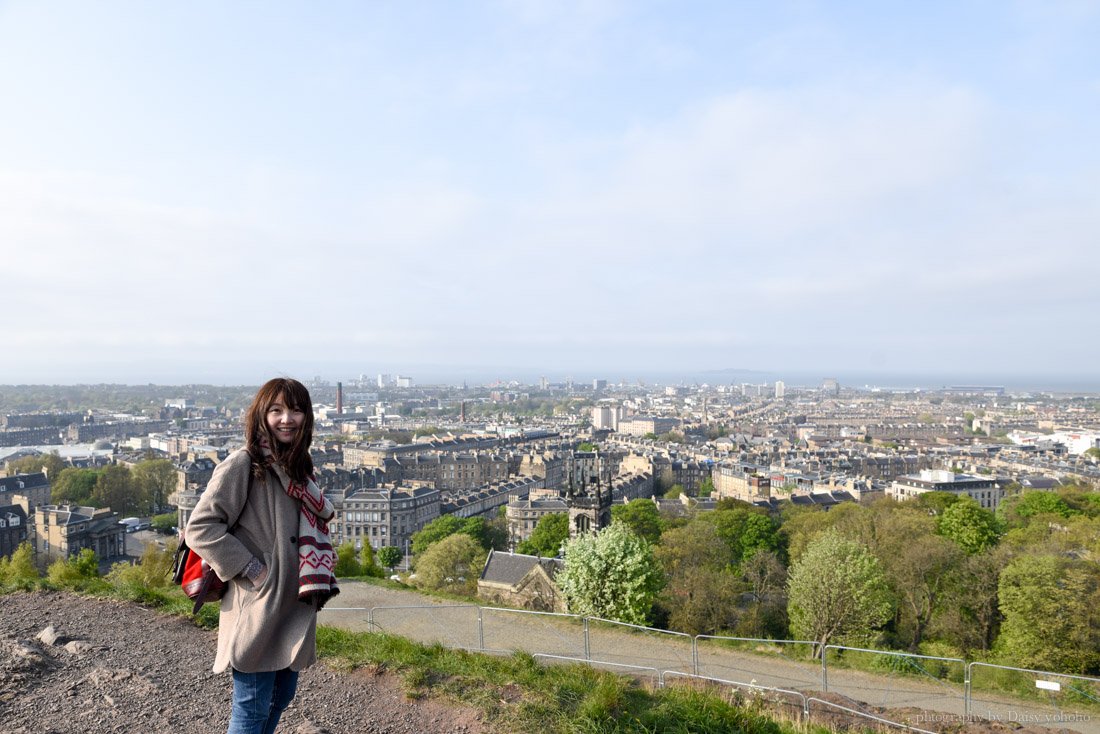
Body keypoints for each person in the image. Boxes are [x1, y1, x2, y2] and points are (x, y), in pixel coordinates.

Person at [186, 378, 339, 734]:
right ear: (262, 415)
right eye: (277, 410)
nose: (287, 419)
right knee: (251, 707)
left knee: (281, 697)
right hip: (259, 603)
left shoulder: (298, 469)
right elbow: (200, 528)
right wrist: (255, 571)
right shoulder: (243, 464)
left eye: (296, 410)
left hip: (292, 603)